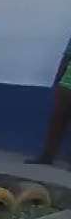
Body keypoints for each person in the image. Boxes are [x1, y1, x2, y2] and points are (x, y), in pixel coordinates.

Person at [27, 36, 71, 165]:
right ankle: (46, 157)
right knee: (56, 123)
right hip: (66, 85)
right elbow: (66, 58)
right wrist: (57, 82)